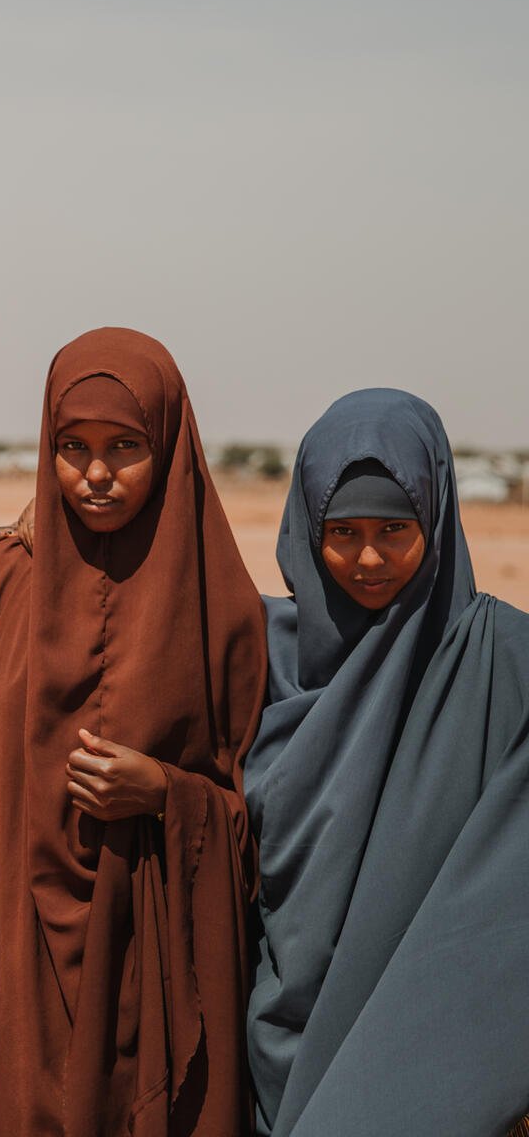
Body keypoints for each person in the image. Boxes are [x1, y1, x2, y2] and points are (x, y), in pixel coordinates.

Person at [0, 327, 267, 1137]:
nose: (97, 473)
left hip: (158, 985)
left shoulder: (225, 612)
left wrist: (167, 794)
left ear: (172, 445)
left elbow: (265, 830)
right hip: (13, 985)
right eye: (71, 446)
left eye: (125, 446)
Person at [245, 388, 529, 1137]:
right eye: (342, 532)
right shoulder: (263, 658)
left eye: (395, 531)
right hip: (272, 1050)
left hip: (434, 1060)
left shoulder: (503, 664)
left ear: (435, 522)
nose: (368, 559)